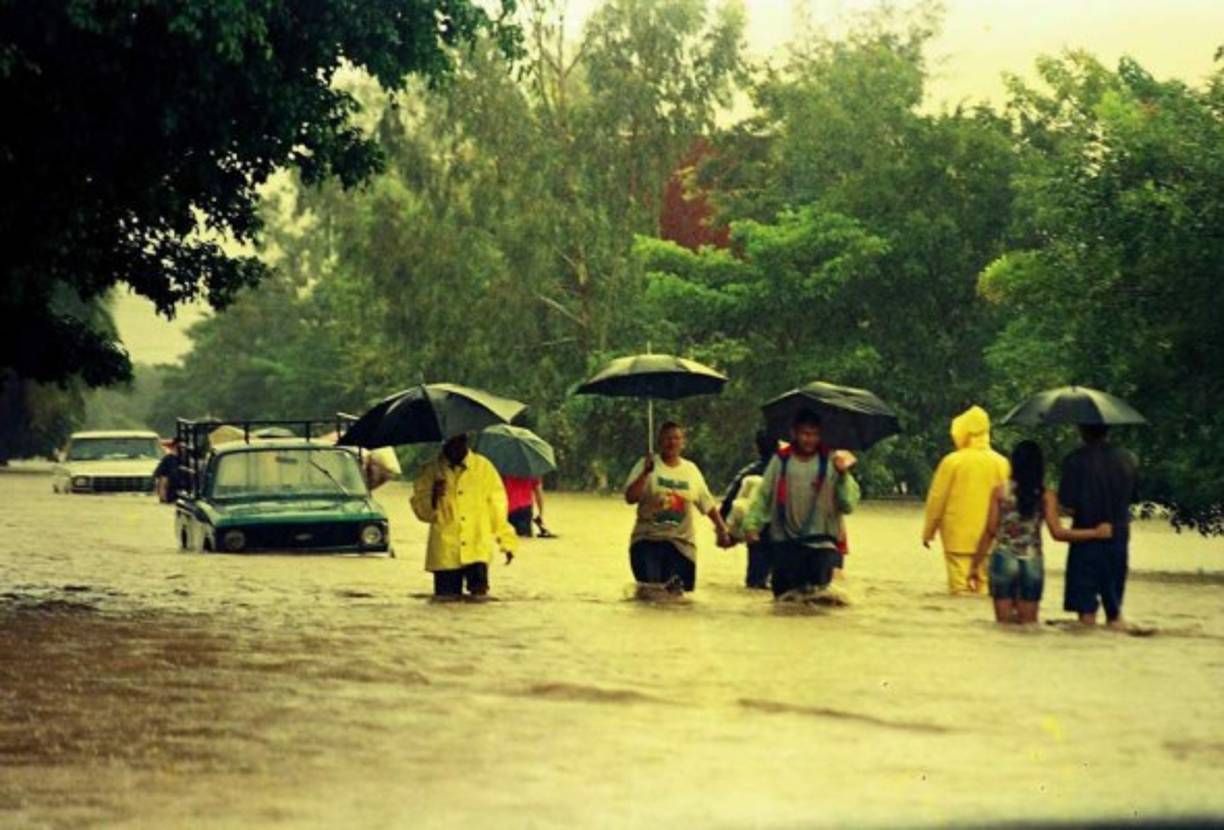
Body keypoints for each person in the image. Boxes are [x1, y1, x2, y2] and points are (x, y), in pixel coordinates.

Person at [972, 441, 1113, 624]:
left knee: (1003, 626)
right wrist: (1095, 533)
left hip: (1003, 560)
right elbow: (1058, 533)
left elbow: (990, 530)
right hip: (1032, 562)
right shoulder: (1046, 496)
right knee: (1029, 627)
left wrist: (975, 565)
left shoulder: (999, 492)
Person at [742, 409, 859, 598]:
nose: (809, 439)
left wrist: (843, 475)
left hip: (822, 545)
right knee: (784, 603)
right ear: (794, 433)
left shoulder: (832, 461)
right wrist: (751, 525)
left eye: (814, 434)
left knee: (819, 602)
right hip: (786, 543)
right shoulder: (780, 460)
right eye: (805, 433)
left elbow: (848, 504)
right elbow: (764, 495)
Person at [624, 421, 733, 593]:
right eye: (667, 438)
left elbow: (706, 503)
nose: (671, 442)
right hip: (648, 541)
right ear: (660, 441)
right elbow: (630, 498)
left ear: (683, 443)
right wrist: (645, 474)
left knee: (680, 601)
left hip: (681, 544)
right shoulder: (646, 464)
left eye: (676, 438)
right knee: (652, 595)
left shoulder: (691, 470)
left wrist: (722, 529)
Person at [410, 434, 518, 601]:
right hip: (445, 550)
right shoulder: (431, 471)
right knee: (445, 601)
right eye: (451, 443)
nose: (455, 449)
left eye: (460, 443)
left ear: (465, 443)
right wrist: (434, 496)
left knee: (479, 600)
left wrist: (506, 541)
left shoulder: (483, 468)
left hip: (477, 545)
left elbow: (497, 507)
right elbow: (422, 513)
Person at [921, 405, 1011, 595]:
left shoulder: (952, 461)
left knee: (959, 591)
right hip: (990, 539)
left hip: (957, 539)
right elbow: (1009, 502)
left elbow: (937, 499)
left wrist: (929, 531)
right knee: (985, 590)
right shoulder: (1002, 463)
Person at [1057, 424, 1138, 628]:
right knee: (1114, 607)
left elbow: (1067, 503)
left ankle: (1087, 652)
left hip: (1085, 537)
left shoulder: (1074, 460)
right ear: (1107, 430)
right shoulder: (1128, 460)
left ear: (1082, 431)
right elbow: (1133, 497)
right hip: (1117, 536)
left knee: (1085, 609)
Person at [720, 430, 777, 589]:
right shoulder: (786, 470)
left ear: (756, 448)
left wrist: (723, 529)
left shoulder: (748, 472)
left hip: (755, 533)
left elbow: (728, 501)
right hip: (783, 533)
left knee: (755, 583)